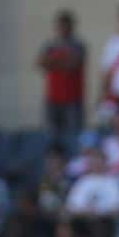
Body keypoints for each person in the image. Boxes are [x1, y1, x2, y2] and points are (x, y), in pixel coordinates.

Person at [36, 10, 86, 146]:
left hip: (73, 100)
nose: (63, 29)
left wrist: (52, 62)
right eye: (60, 25)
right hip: (53, 99)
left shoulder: (78, 45)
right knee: (52, 137)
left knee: (74, 137)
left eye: (66, 25)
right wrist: (61, 61)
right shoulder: (50, 45)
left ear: (71, 26)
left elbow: (73, 65)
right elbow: (39, 63)